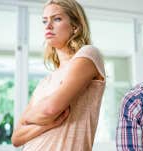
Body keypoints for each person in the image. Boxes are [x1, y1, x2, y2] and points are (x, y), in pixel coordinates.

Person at [11, 0, 106, 150]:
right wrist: (46, 124)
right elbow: (16, 138)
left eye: (57, 19)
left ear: (75, 26)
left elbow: (51, 109)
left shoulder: (89, 55)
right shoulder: (45, 82)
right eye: (44, 21)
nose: (48, 26)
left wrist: (28, 118)